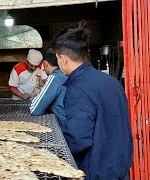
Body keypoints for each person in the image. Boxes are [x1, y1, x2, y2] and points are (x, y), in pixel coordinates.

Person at [52, 21, 133, 179]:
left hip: (97, 172)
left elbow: (77, 140)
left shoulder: (78, 89)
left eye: (57, 58)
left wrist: (49, 155)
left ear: (63, 58)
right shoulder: (111, 82)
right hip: (120, 169)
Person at [29, 49, 67, 127]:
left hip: (63, 125)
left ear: (45, 64)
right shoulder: (65, 73)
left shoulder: (54, 77)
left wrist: (38, 93)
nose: (42, 69)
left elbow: (35, 109)